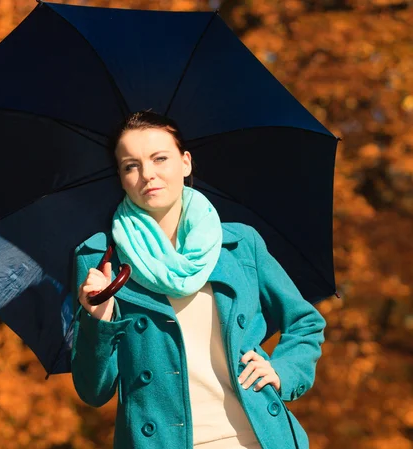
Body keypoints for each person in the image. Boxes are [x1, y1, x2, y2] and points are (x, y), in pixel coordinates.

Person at [70, 110, 326, 449]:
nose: (148, 174)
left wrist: (283, 370)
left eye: (160, 158)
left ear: (185, 162)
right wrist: (98, 319)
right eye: (131, 165)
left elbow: (305, 322)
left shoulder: (238, 245)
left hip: (259, 437)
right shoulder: (100, 261)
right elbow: (94, 390)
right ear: (120, 176)